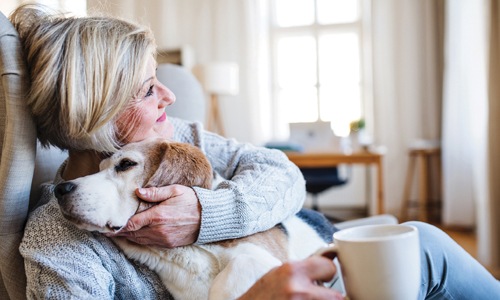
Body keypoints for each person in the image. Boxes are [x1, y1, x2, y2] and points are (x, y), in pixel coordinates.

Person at [10, 4, 499, 300]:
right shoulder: (59, 238)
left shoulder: (179, 139)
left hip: (306, 259)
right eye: (146, 90)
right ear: (94, 115)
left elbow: (282, 174)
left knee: (422, 242)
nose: (169, 97)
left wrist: (207, 213)